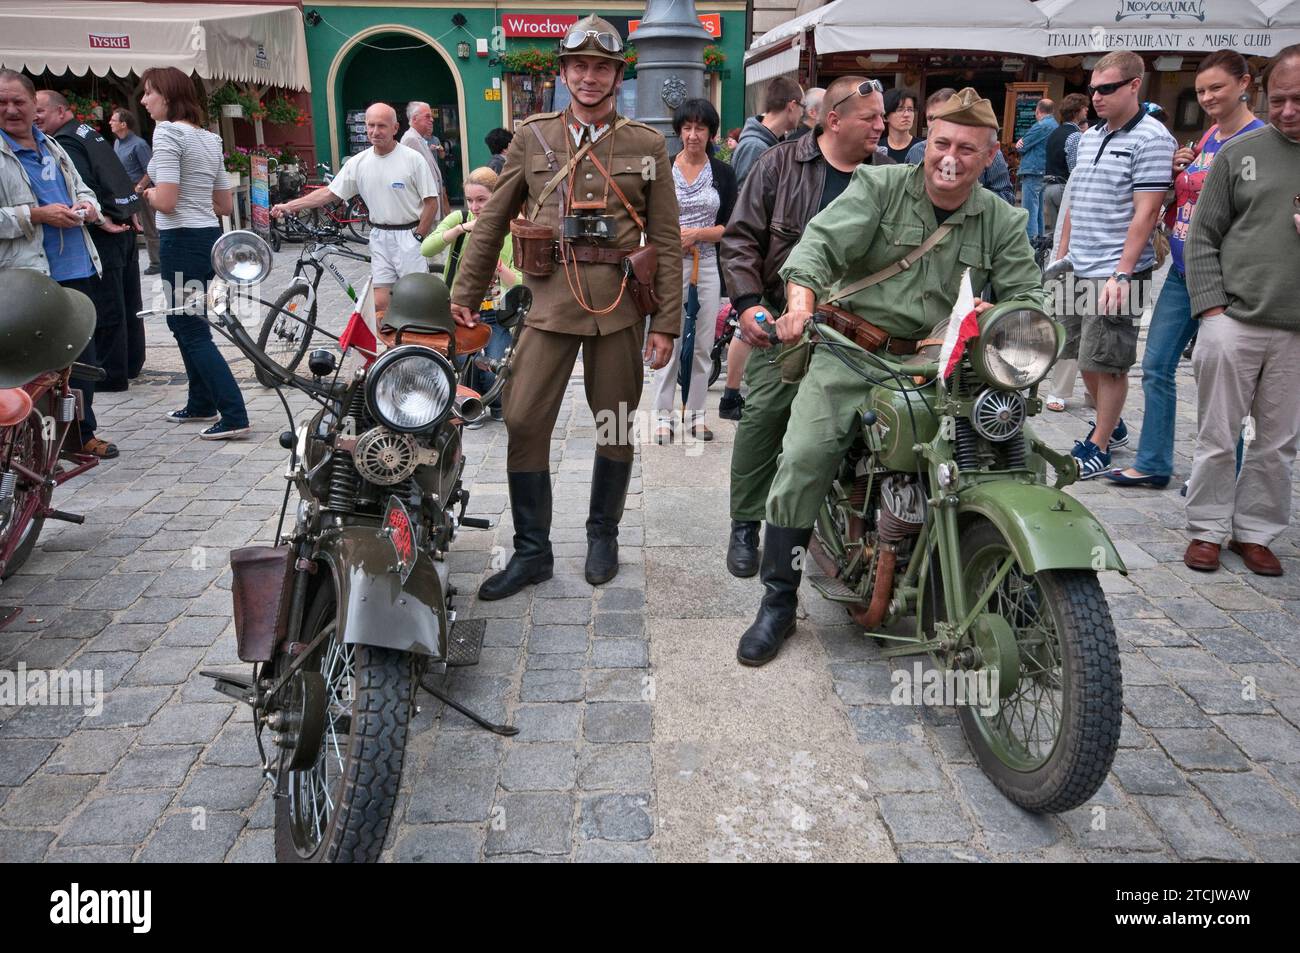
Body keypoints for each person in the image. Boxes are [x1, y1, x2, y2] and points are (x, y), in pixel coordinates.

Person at [736, 88, 1043, 666]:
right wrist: (799, 305)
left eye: (968, 149)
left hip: (935, 363)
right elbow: (816, 250)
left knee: (1006, 446)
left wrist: (1003, 319)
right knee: (804, 456)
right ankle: (778, 600)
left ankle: (1008, 573)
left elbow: (1028, 293)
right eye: (943, 143)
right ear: (927, 144)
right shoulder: (879, 187)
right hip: (851, 351)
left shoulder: (1002, 219)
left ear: (989, 155)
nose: (951, 158)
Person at [447, 15, 682, 596]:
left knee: (616, 426)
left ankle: (604, 536)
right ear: (564, 72)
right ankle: (532, 552)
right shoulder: (533, 137)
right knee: (524, 419)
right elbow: (491, 221)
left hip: (619, 309)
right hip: (549, 303)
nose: (589, 77)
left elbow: (667, 238)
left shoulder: (647, 145)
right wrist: (465, 293)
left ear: (616, 75)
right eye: (579, 66)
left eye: (601, 67)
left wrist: (667, 323)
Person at [721, 75, 893, 579]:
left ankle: (871, 528)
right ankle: (746, 523)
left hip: (863, 333)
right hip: (787, 320)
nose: (881, 126)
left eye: (883, 117)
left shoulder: (889, 174)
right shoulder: (779, 164)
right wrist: (750, 304)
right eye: (872, 118)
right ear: (833, 119)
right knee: (764, 419)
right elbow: (740, 240)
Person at [1105, 51, 1264, 490]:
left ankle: (1220, 478)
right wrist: (1181, 169)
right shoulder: (1212, 133)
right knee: (1156, 365)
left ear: (1244, 84)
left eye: (1217, 88)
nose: (1208, 97)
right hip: (1179, 270)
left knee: (1221, 388)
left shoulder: (1258, 140)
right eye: (1200, 91)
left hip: (1226, 279)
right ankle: (1154, 461)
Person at [1181, 46, 1300, 576]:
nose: (1288, 110)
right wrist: (1210, 311)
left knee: (1278, 443)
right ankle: (1206, 529)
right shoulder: (1242, 152)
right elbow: (1203, 233)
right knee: (1217, 433)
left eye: (1299, 100)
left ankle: (1255, 532)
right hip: (1233, 319)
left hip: (1295, 328)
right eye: (1279, 99)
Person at [1059, 50, 1175, 479]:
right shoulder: (1088, 136)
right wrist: (1061, 254)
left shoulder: (1153, 139)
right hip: (1078, 262)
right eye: (1093, 89)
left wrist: (1123, 273)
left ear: (1133, 86)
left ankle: (1101, 442)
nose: (1097, 97)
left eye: (1107, 88)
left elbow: (1146, 214)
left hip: (1117, 267)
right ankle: (1113, 423)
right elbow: (1076, 198)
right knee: (1077, 352)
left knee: (1108, 359)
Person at [0, 69, 117, 459]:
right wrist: (35, 215)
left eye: (19, 101)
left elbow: (83, 189)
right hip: (28, 278)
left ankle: (80, 435)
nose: (11, 109)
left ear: (36, 106)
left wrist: (88, 206)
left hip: (76, 267)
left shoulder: (52, 145)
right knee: (32, 367)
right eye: (2, 102)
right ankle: (28, 441)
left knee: (81, 361)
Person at [138, 66, 248, 440]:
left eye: (149, 93)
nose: (143, 100)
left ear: (167, 96)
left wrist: (148, 194)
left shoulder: (166, 133)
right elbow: (223, 204)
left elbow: (166, 201)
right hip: (207, 237)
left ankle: (233, 413)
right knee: (189, 321)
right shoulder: (209, 139)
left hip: (180, 239)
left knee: (188, 325)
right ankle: (201, 402)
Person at [272, 103, 438, 313]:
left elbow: (431, 202)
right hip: (380, 236)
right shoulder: (358, 162)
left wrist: (419, 237)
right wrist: (289, 206)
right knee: (379, 304)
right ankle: (390, 346)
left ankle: (417, 343)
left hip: (410, 234)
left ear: (395, 128)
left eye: (382, 126)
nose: (375, 131)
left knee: (416, 301)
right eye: (370, 125)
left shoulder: (413, 159)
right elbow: (329, 193)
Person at [36, 91, 142, 396]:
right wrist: (130, 209)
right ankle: (131, 363)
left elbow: (85, 187)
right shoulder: (87, 133)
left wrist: (103, 218)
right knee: (127, 303)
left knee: (109, 309)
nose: (36, 117)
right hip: (121, 223)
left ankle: (111, 374)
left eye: (40, 110)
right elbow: (117, 175)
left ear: (60, 111)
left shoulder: (66, 141)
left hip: (104, 231)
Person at [650, 98, 736, 444]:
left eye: (700, 128)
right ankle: (661, 416)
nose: (693, 135)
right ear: (678, 132)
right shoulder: (663, 169)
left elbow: (731, 225)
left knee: (702, 344)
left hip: (707, 264)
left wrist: (698, 234)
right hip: (669, 266)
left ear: (710, 133)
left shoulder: (723, 173)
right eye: (687, 127)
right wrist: (674, 240)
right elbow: (650, 219)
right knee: (667, 337)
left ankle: (697, 415)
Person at [718, 76, 804, 421]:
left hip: (754, 251)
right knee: (748, 323)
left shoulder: (763, 139)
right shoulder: (758, 147)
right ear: (792, 106)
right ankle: (732, 393)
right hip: (754, 252)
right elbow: (749, 206)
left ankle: (732, 392)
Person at [421, 165, 521, 425]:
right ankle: (469, 406)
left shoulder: (511, 227)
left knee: (495, 363)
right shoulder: (460, 219)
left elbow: (521, 281)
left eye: (482, 200)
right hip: (459, 307)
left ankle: (498, 405)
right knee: (465, 361)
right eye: (470, 200)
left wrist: (498, 266)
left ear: (497, 197)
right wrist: (462, 229)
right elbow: (427, 248)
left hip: (496, 308)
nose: (475, 206)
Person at [905, 87, 1015, 201]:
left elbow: (1006, 197)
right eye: (931, 118)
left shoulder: (989, 153)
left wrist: (965, 195)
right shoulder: (916, 151)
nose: (936, 123)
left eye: (947, 116)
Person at [109, 108, 159, 275]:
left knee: (149, 226)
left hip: (141, 191)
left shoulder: (139, 144)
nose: (110, 123)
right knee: (130, 226)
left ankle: (156, 261)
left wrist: (139, 187)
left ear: (123, 124)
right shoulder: (117, 143)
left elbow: (150, 170)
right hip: (124, 191)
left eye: (113, 120)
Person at [731, 76, 804, 186]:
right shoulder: (755, 147)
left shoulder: (764, 143)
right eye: (803, 105)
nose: (803, 113)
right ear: (792, 106)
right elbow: (745, 199)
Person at [1041, 93, 1089, 238]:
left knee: (1058, 235)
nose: (1087, 110)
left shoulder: (1055, 132)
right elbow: (1074, 169)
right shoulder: (1075, 135)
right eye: (1084, 107)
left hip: (1048, 187)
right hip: (1063, 188)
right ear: (1076, 111)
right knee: (1067, 236)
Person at [1015, 98, 1057, 238]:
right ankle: (1039, 242)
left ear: (1038, 111)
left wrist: (1020, 143)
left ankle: (1030, 244)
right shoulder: (1055, 125)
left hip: (1033, 170)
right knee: (1038, 210)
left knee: (1029, 211)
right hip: (1044, 171)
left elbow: (1022, 146)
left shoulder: (1041, 125)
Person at [401, 101, 446, 220]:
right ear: (415, 118)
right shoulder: (411, 139)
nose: (432, 120)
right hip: (424, 212)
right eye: (427, 116)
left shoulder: (419, 138)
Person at [881, 88, 918, 163]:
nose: (907, 115)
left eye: (910, 109)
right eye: (900, 109)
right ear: (885, 116)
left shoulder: (922, 148)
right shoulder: (877, 149)